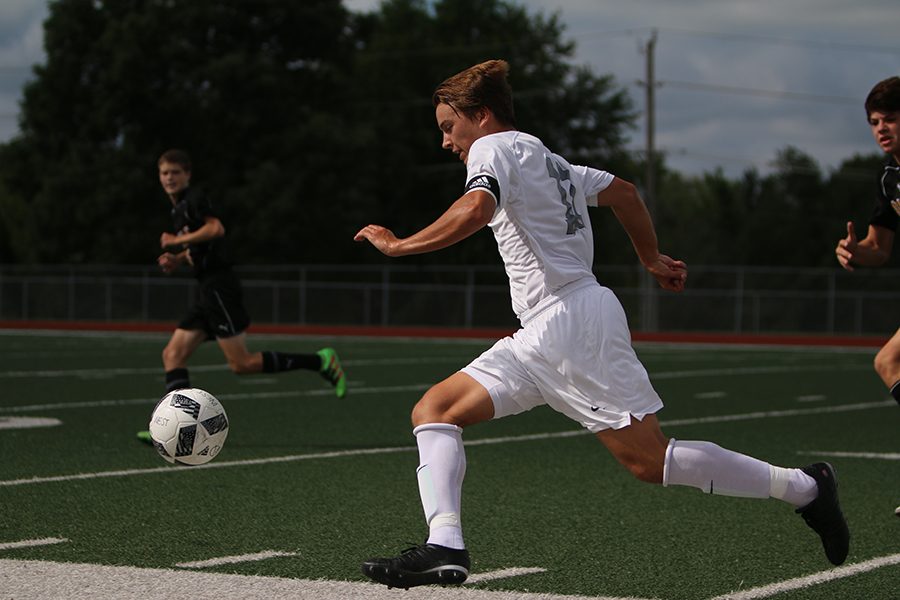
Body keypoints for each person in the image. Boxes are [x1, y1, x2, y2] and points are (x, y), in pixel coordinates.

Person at [353, 60, 850, 589]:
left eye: (448, 128)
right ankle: (444, 546)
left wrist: (401, 244)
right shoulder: (551, 161)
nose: (447, 143)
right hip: (544, 332)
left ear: (480, 115)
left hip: (571, 325)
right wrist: (652, 258)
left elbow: (477, 208)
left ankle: (806, 488)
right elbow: (625, 193)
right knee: (435, 409)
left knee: (650, 461)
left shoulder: (491, 149)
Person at [137, 149, 346, 443]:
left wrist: (176, 241)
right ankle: (173, 427)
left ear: (187, 174)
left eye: (174, 172)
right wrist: (179, 259)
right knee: (173, 354)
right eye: (164, 173)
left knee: (242, 364)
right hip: (206, 290)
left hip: (220, 288)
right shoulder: (179, 209)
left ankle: (320, 362)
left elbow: (215, 228)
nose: (169, 178)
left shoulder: (193, 199)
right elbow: (201, 247)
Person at [834, 76, 899, 516]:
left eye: (891, 119)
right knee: (888, 362)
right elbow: (879, 248)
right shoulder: (891, 177)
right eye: (874, 122)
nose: (881, 128)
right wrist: (855, 252)